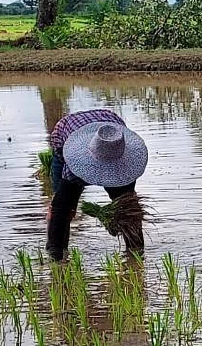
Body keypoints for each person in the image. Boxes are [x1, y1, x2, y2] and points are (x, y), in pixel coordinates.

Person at [46, 109, 148, 261]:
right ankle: (56, 255)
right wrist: (61, 204)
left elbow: (128, 209)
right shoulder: (75, 162)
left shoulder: (118, 147)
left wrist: (117, 217)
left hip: (110, 128)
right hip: (65, 143)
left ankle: (136, 253)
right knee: (61, 208)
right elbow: (60, 207)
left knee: (127, 210)